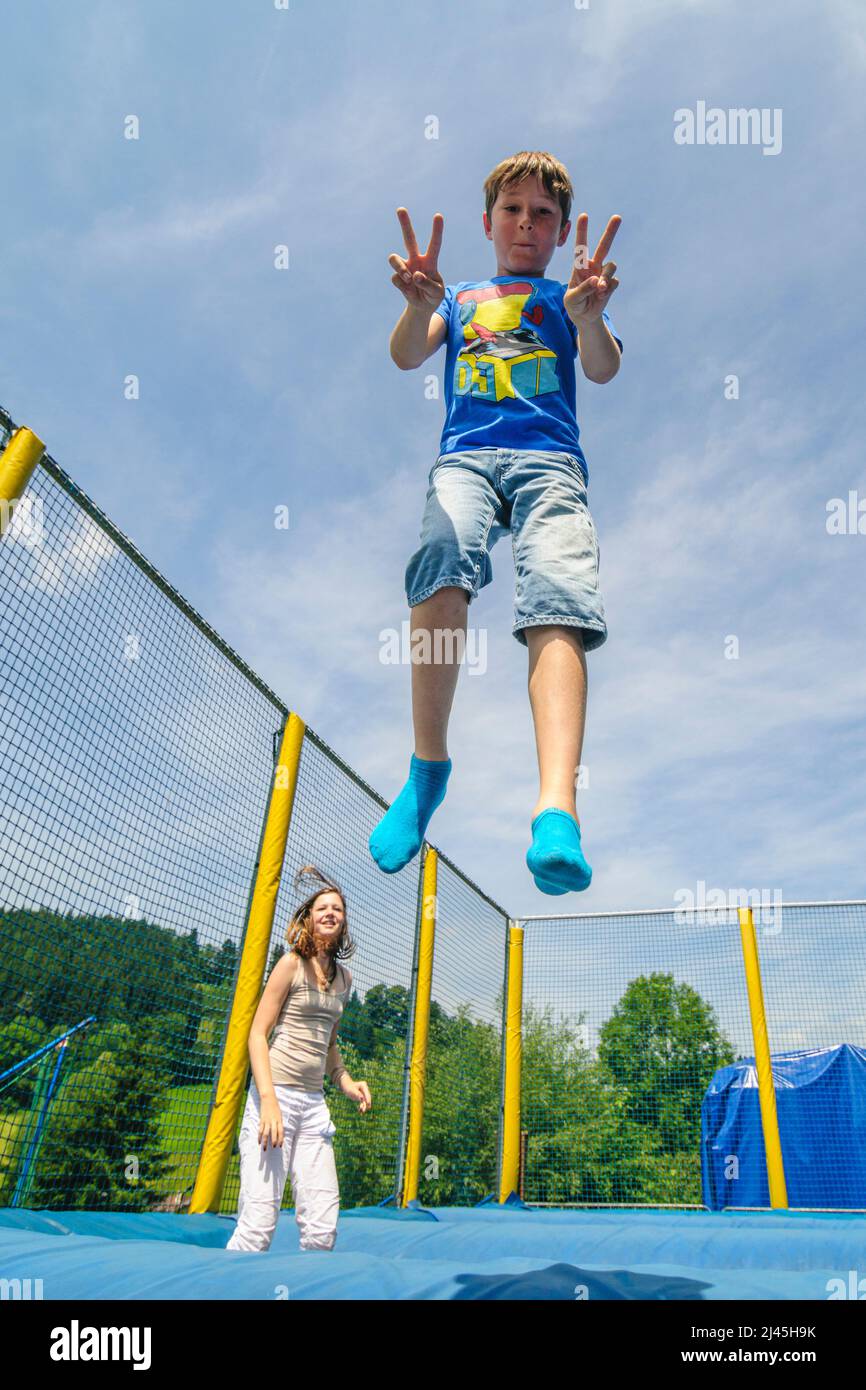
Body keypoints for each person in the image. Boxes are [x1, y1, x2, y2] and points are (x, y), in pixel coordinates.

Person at [368, 150, 623, 894]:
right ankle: (426, 771)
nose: (525, 223)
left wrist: (591, 318)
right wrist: (418, 307)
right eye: (513, 209)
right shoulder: (465, 296)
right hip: (468, 458)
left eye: (541, 214)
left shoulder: (570, 297)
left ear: (559, 229)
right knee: (440, 560)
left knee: (560, 599)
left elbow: (603, 368)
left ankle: (556, 810)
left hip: (550, 464)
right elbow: (406, 355)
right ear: (489, 222)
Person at [226, 866, 371, 1253]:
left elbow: (329, 1049)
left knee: (323, 1228)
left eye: (337, 909)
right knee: (258, 1225)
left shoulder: (344, 980)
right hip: (274, 1102)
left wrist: (348, 1082)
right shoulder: (291, 964)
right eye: (322, 907)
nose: (330, 913)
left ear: (343, 923)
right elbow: (258, 1033)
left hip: (313, 1107)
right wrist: (268, 1101)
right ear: (308, 918)